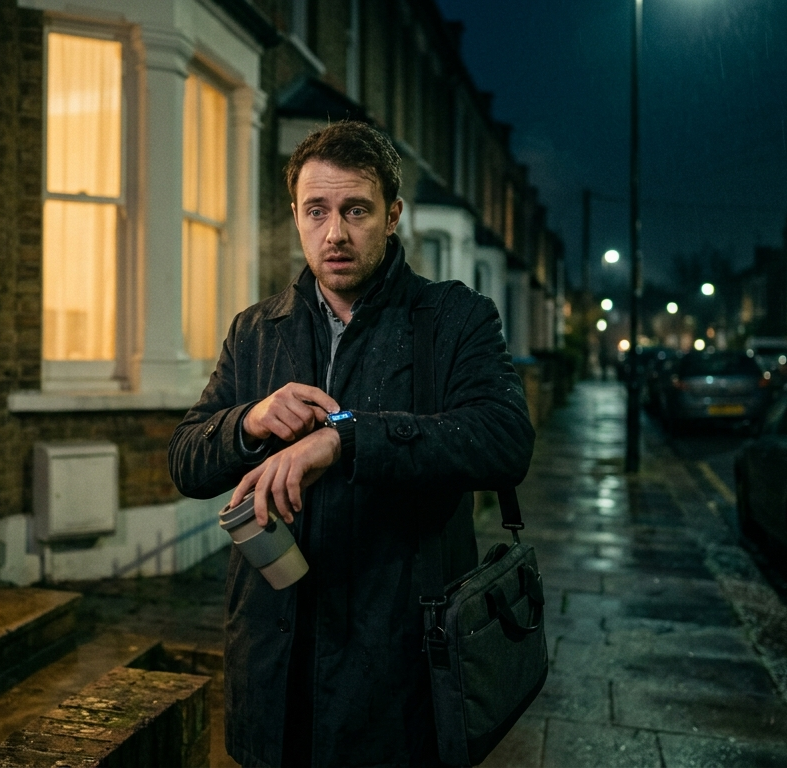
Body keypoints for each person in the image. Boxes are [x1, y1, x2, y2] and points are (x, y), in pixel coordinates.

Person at [168, 121, 535, 767]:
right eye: (317, 211)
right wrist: (250, 420)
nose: (334, 232)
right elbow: (186, 460)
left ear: (392, 215)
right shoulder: (256, 330)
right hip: (271, 667)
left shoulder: (455, 318)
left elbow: (503, 440)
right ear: (296, 216)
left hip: (396, 673)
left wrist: (345, 438)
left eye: (355, 210)